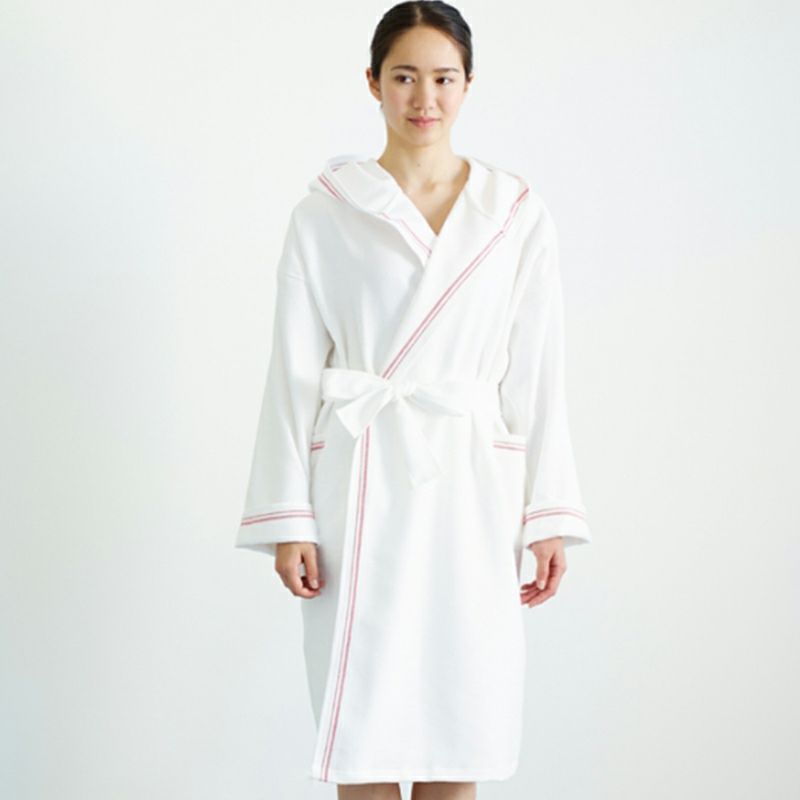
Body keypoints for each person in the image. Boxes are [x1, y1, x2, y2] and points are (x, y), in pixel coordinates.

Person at [235, 2, 592, 798]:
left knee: (462, 726)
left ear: (468, 85)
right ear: (372, 83)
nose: (423, 98)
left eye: (442, 78)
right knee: (364, 733)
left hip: (472, 489)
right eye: (404, 77)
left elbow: (537, 371)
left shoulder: (513, 215)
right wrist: (289, 519)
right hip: (358, 485)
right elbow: (293, 370)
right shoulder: (325, 212)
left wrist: (548, 515)